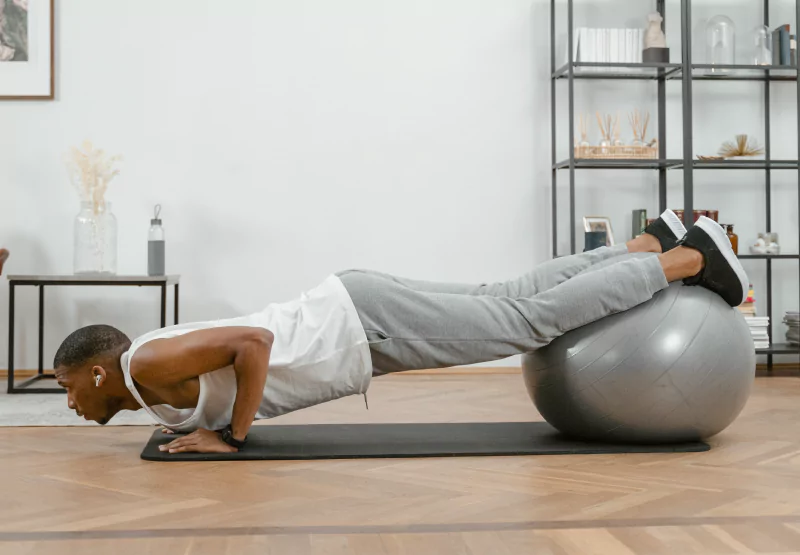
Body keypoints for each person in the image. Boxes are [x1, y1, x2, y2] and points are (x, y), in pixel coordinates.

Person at [53, 211, 748, 455]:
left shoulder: (145, 363)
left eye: (65, 388)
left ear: (97, 372)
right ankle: (644, 243)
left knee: (523, 322)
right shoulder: (145, 378)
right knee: (507, 298)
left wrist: (230, 436)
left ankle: (688, 260)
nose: (68, 403)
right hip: (356, 312)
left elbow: (252, 346)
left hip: (360, 324)